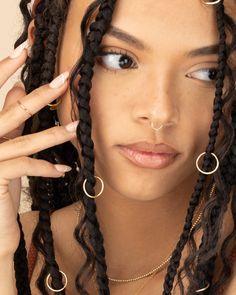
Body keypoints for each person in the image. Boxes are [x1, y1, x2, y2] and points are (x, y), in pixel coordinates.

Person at [0, 0, 235, 294]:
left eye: (209, 73)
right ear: (46, 43)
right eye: (119, 60)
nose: (160, 112)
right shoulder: (12, 247)